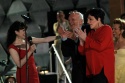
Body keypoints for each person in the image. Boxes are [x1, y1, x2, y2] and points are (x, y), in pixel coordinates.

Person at [74, 8, 115, 83]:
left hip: (102, 70)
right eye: (87, 19)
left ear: (99, 19)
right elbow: (83, 52)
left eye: (90, 19)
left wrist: (85, 38)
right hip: (92, 71)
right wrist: (81, 40)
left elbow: (100, 46)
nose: (88, 22)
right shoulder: (91, 33)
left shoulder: (106, 29)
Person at [58, 10, 88, 83]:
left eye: (73, 20)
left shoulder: (89, 31)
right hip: (76, 74)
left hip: (89, 71)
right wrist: (64, 39)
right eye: (69, 20)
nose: (70, 22)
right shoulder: (67, 35)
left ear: (81, 21)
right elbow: (65, 53)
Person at [53, 10, 71, 81]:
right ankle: (61, 76)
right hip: (59, 44)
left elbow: (70, 30)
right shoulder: (55, 24)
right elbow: (56, 31)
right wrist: (59, 23)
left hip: (68, 42)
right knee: (60, 60)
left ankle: (68, 74)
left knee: (67, 59)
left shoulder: (68, 22)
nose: (60, 17)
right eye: (58, 16)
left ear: (64, 15)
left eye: (61, 15)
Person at [112, 18, 125, 83]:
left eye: (115, 29)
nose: (113, 31)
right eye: (112, 28)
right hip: (114, 73)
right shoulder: (112, 43)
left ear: (122, 30)